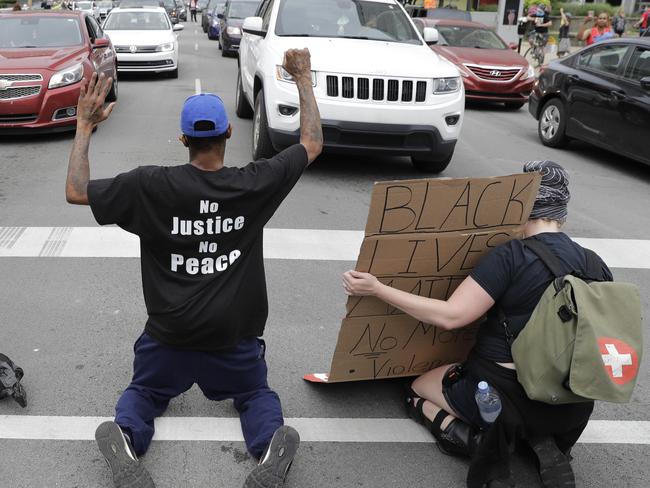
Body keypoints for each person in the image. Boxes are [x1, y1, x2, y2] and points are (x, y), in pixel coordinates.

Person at [65, 48, 322, 488]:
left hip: (169, 335)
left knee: (144, 392)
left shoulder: (150, 185)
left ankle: (126, 435)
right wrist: (302, 78)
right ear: (226, 133)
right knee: (255, 393)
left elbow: (76, 191)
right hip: (232, 339)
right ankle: (270, 443)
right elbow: (311, 144)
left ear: (183, 140)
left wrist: (84, 125)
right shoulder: (253, 183)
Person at [342, 161, 613, 488]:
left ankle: (477, 440)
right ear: (561, 213)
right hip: (571, 405)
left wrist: (376, 289)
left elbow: (451, 316)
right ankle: (542, 441)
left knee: (417, 390)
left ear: (522, 203)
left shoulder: (512, 256)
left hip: (500, 402)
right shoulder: (594, 263)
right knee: (531, 408)